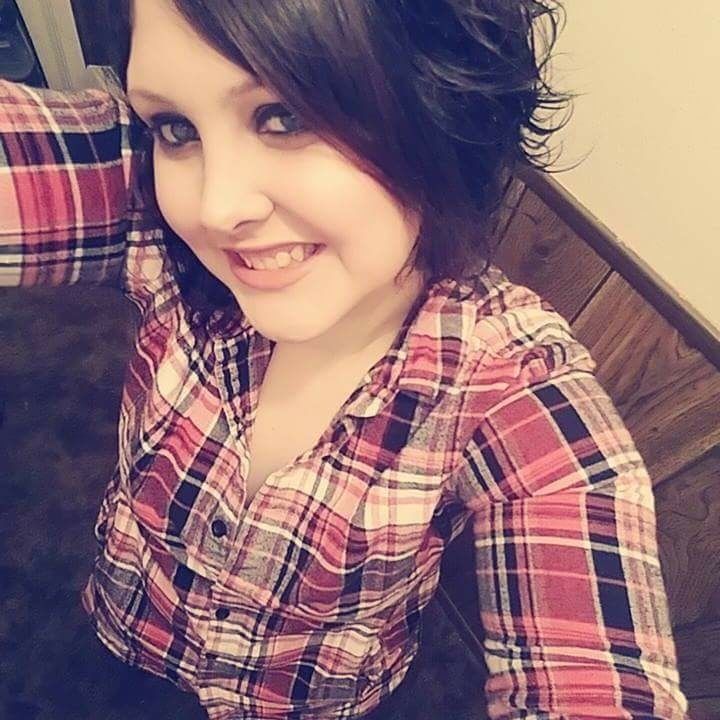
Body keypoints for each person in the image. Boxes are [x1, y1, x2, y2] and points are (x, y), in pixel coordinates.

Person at [0, 0, 690, 718]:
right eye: (176, 129)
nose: (215, 206)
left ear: (442, 108)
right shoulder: (153, 218)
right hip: (126, 631)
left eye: (284, 116)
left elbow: (594, 671)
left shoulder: (511, 383)